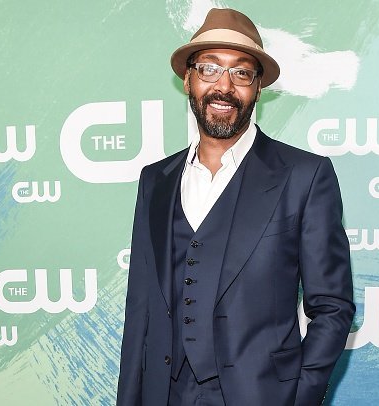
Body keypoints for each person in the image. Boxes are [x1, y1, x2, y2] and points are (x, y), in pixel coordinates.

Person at [117, 8, 355, 406]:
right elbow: (140, 308)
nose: (223, 86)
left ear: (258, 87)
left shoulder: (304, 176)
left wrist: (300, 396)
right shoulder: (154, 181)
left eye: (241, 72)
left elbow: (332, 307)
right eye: (209, 68)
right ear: (188, 79)